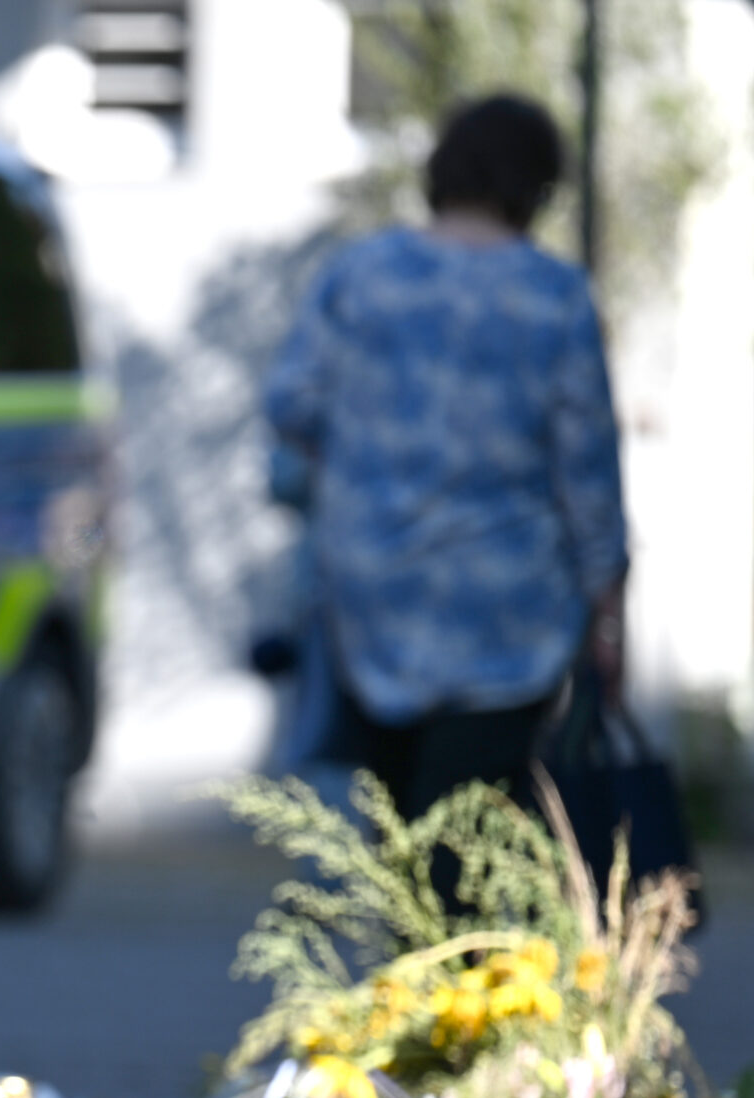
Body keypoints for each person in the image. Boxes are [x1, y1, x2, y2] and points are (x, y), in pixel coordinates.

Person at [262, 93, 628, 820]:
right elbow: (587, 471)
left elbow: (290, 405)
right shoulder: (554, 297)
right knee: (471, 846)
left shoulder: (359, 275)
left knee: (395, 837)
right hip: (508, 618)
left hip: (370, 605)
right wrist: (608, 610)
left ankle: (410, 936)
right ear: (535, 186)